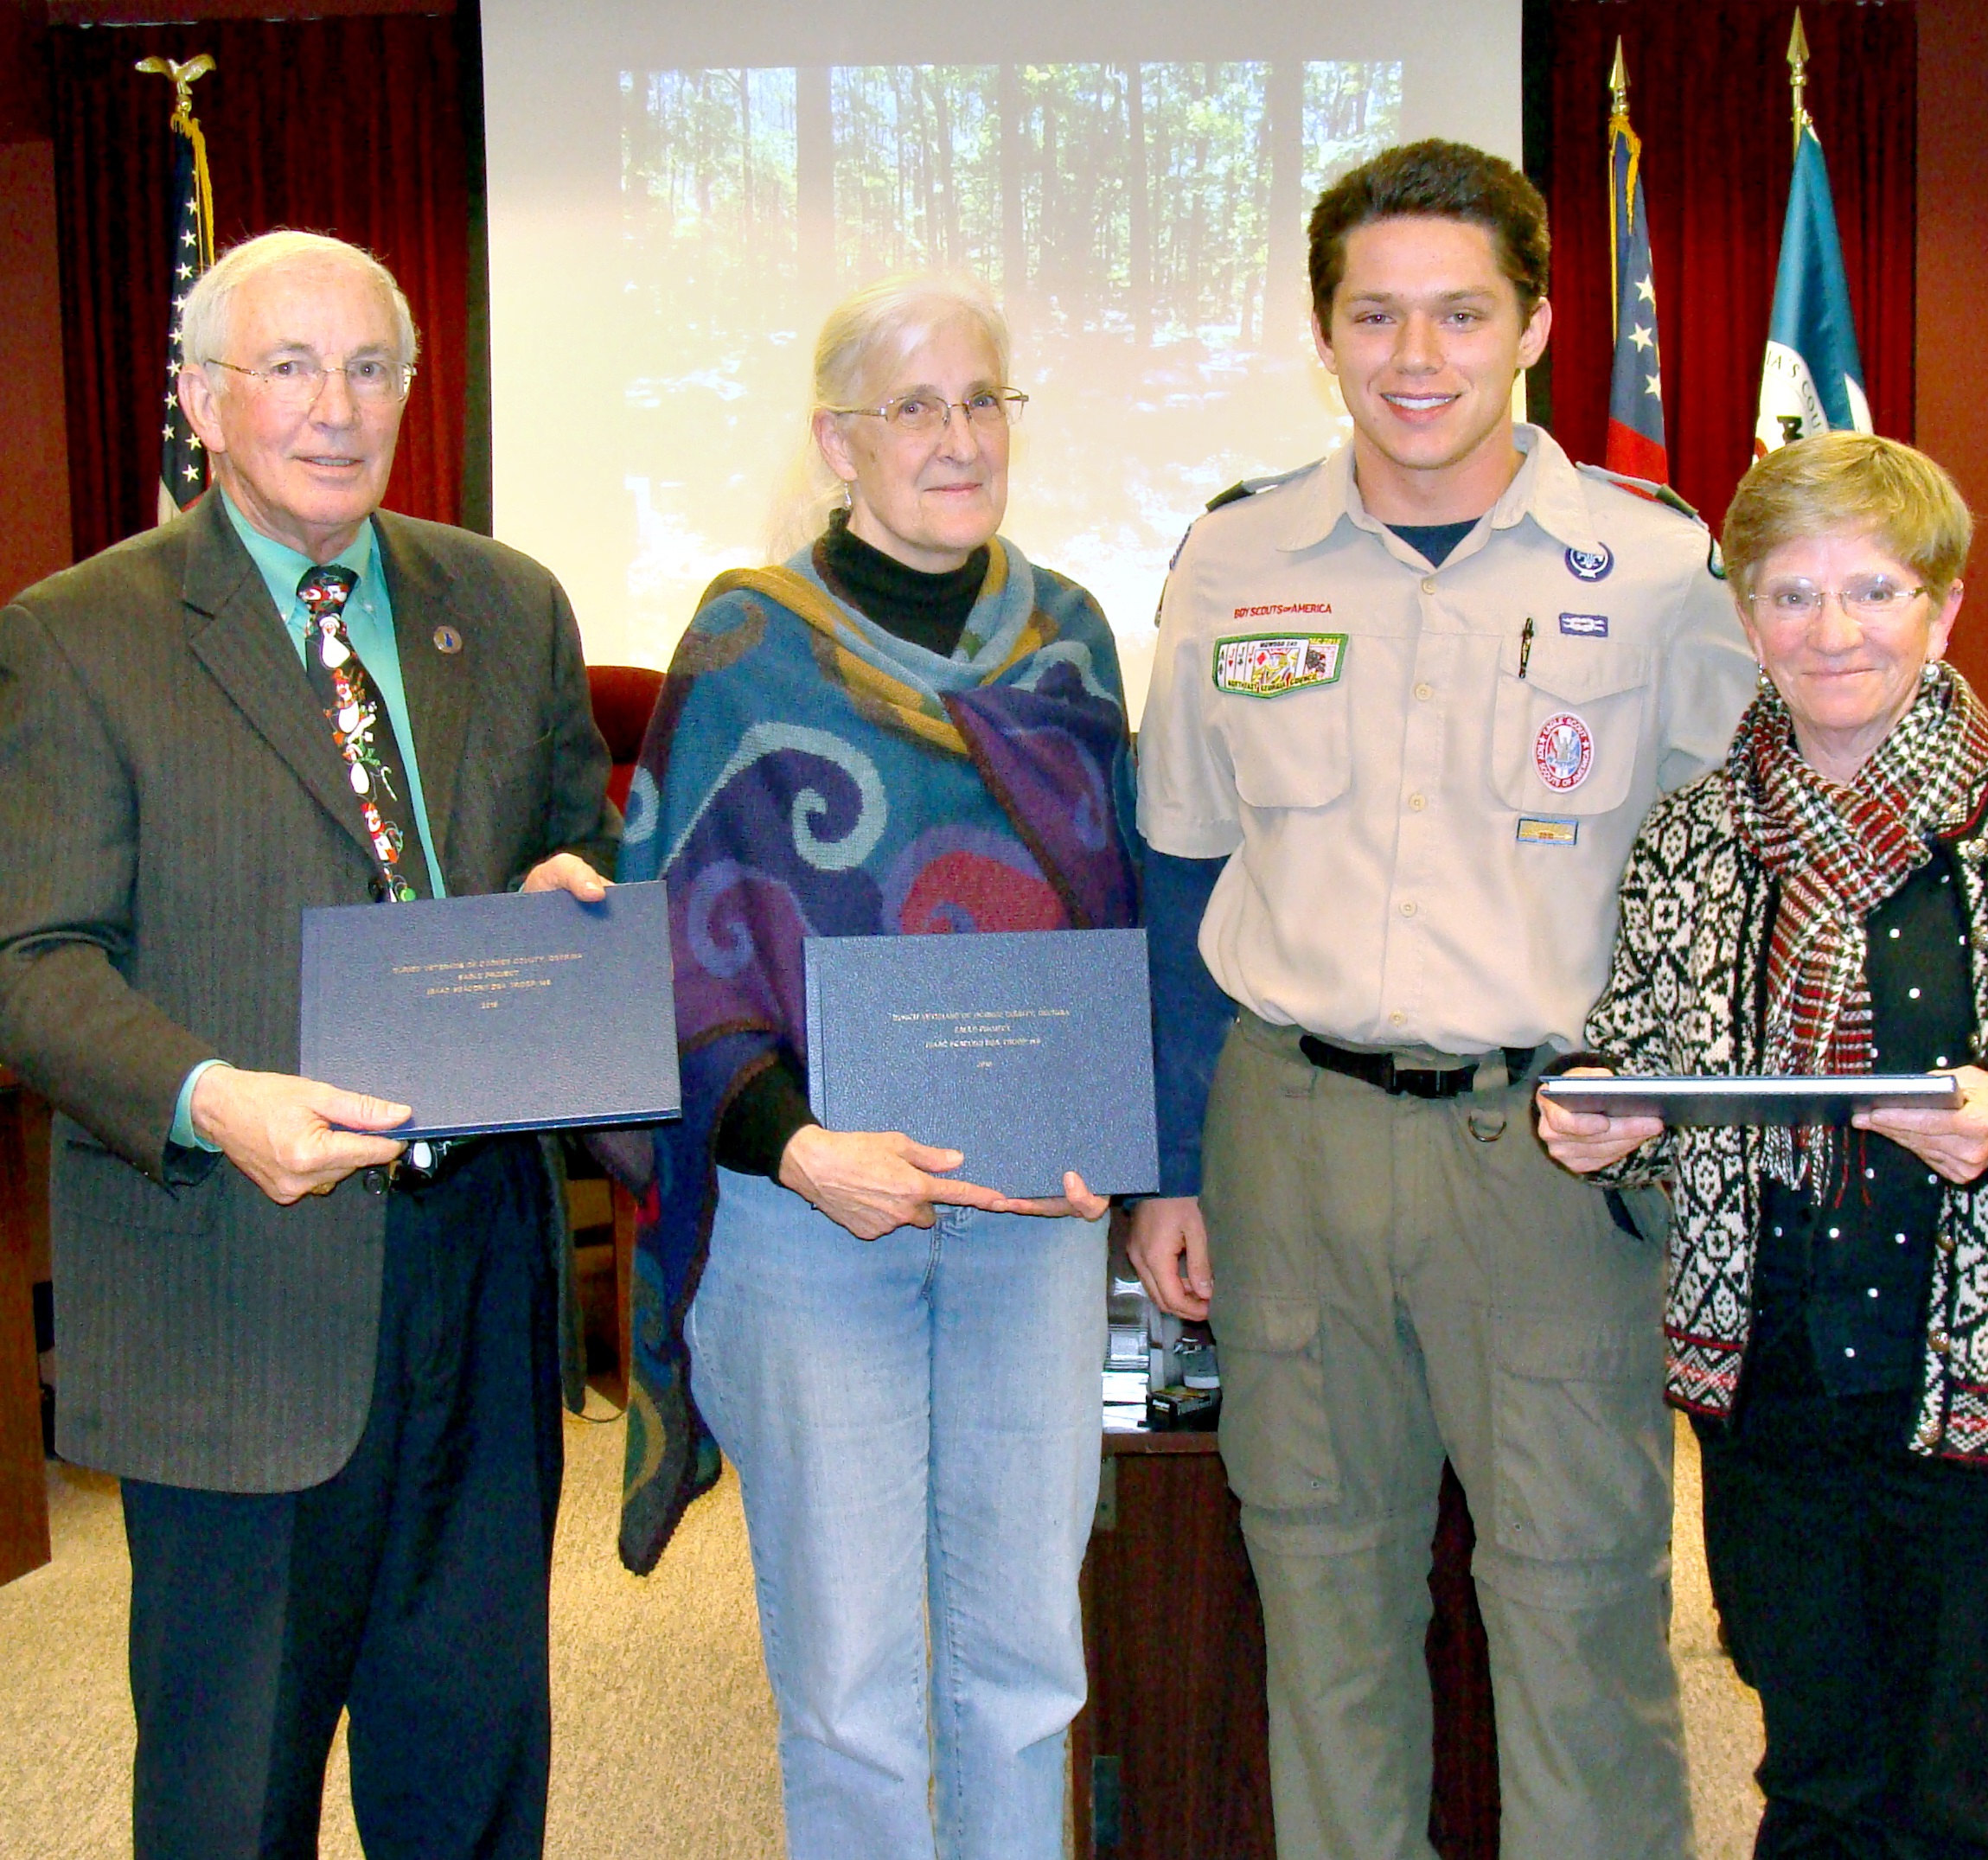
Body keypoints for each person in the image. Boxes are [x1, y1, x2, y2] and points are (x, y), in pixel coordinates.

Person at [1128, 139, 1988, 1860]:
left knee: (1577, 1596)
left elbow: (1843, 710)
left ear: (1530, 322)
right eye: (1375, 314)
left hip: (1556, 1145)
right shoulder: (1230, 561)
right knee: (1316, 1584)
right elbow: (1174, 873)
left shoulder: (1654, 563)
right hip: (1284, 1128)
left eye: (1459, 310)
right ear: (1324, 333)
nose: (1417, 354)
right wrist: (1162, 1162)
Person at [0, 231, 617, 1857]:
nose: (334, 408)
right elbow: (28, 962)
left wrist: (581, 903)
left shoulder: (508, 600)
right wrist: (212, 1101)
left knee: (473, 1770)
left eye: (370, 368)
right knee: (229, 1799)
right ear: (203, 396)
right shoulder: (76, 634)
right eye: (286, 367)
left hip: (477, 1281)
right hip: (233, 1290)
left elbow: (566, 862)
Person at [1537, 431, 1988, 1858]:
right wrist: (1604, 1122)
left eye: (1873, 590)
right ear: (1745, 618)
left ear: (1942, 608)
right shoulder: (1691, 836)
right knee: (1815, 1776)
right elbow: (1661, 1085)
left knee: (1960, 1799)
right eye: (1790, 593)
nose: (1830, 630)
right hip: (1771, 1382)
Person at [615, 273, 1138, 1860]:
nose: (959, 437)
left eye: (985, 400)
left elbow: (1115, 913)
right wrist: (794, 1146)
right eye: (915, 406)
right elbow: (677, 924)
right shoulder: (746, 637)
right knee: (847, 1678)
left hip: (1031, 1215)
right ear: (840, 439)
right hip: (810, 1215)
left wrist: (1131, 1139)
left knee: (1027, 1662)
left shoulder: (1071, 635)